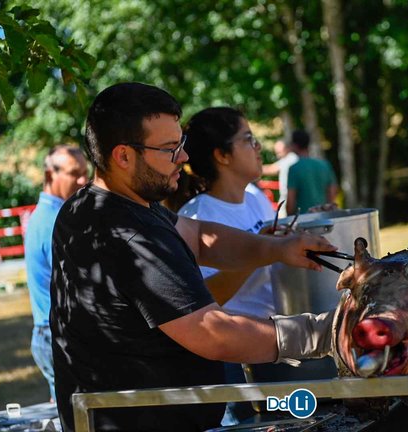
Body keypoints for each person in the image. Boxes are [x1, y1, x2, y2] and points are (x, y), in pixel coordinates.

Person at [50, 82, 336, 432]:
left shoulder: (99, 205)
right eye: (170, 149)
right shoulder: (127, 234)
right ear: (123, 156)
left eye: (181, 145)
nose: (183, 158)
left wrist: (274, 248)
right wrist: (326, 333)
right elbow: (213, 333)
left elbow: (199, 237)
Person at [178, 107, 290, 425]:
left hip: (275, 342)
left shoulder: (255, 197)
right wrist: (261, 252)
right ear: (222, 156)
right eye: (248, 139)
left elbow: (275, 252)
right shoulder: (198, 216)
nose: (258, 147)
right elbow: (205, 297)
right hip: (237, 360)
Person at [23, 145, 88, 402]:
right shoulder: (55, 221)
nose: (83, 180)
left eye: (85, 172)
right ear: (51, 175)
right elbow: (77, 285)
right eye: (75, 173)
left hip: (49, 331)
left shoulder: (47, 215)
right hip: (58, 333)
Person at [286, 129, 338, 215]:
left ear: (294, 145)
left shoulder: (294, 169)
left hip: (304, 220)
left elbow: (290, 202)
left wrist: (289, 218)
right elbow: (332, 191)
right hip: (324, 217)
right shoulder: (324, 165)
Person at [261, 139, 298, 216]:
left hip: (289, 197)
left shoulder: (290, 159)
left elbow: (271, 169)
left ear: (287, 148)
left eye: (279, 152)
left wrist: (252, 169)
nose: (278, 155)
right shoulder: (291, 159)